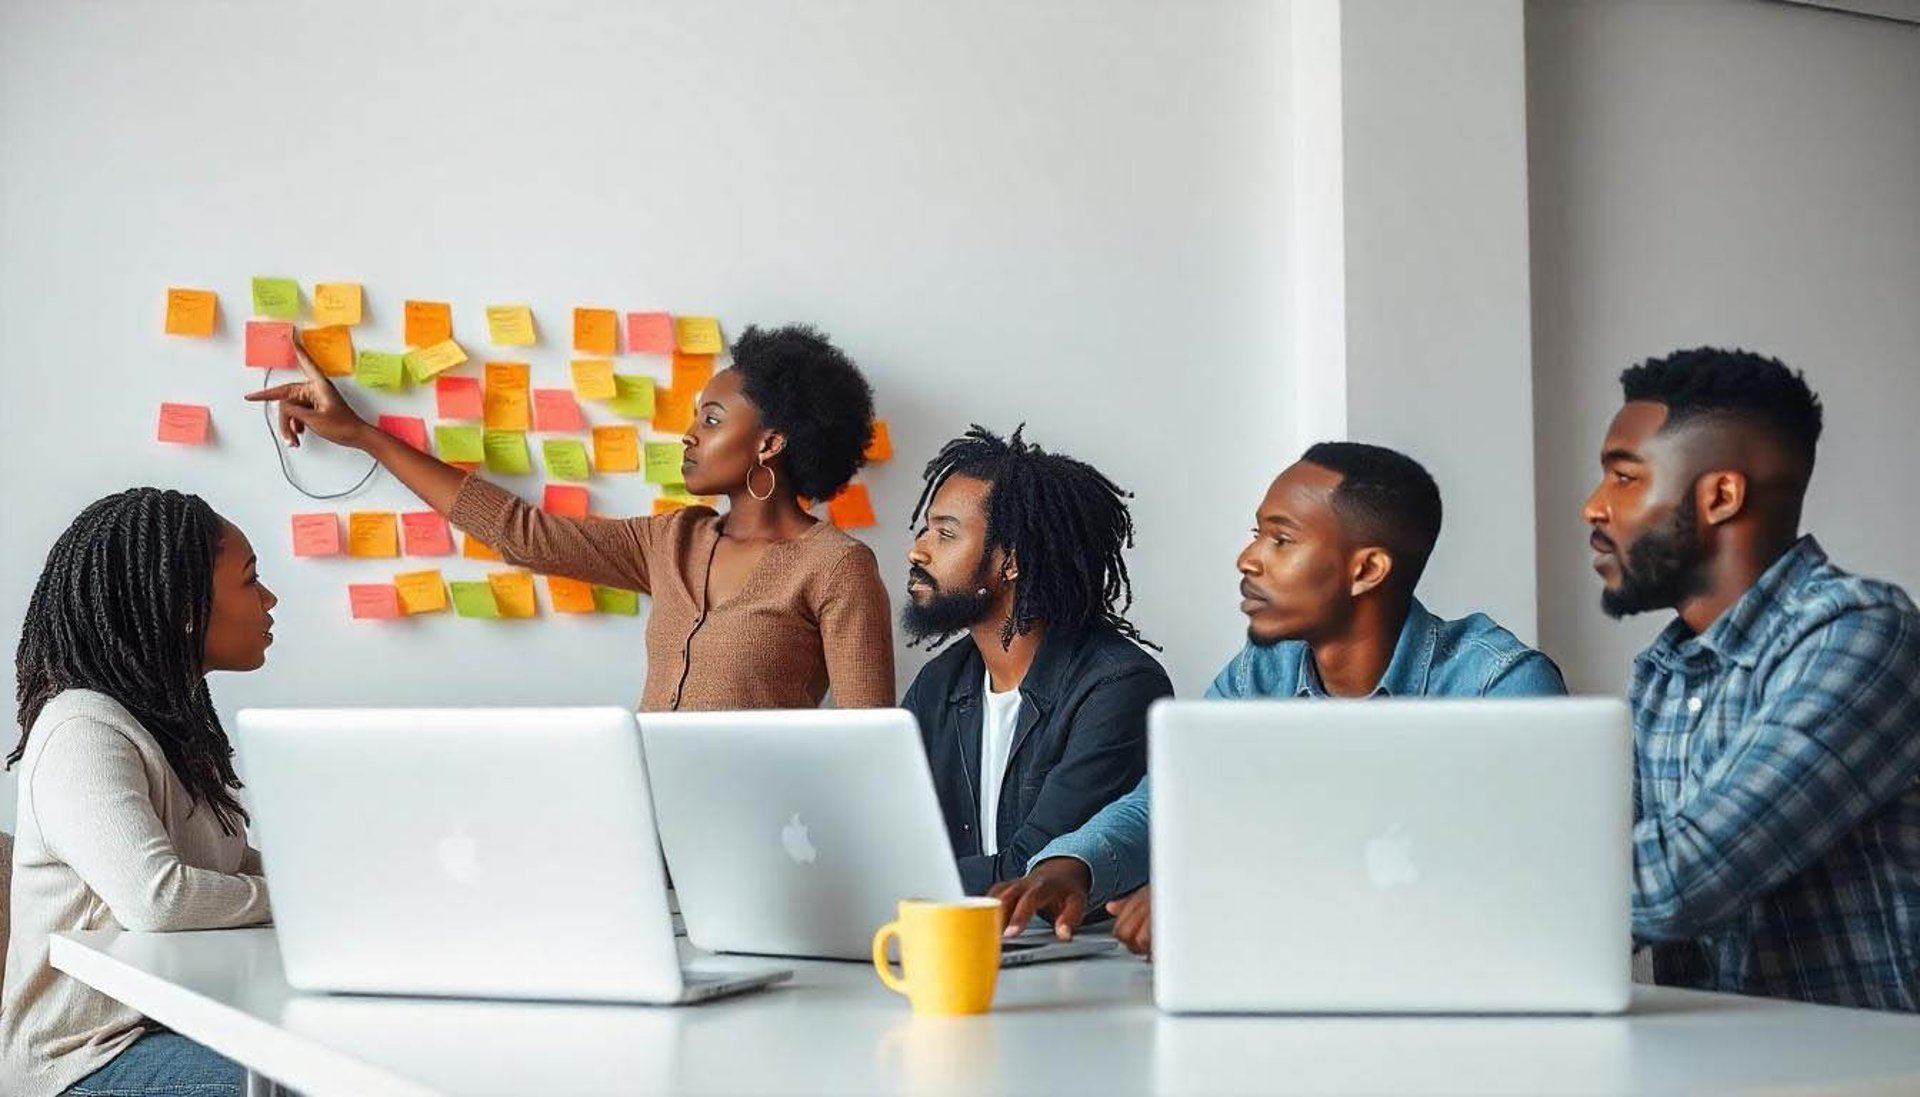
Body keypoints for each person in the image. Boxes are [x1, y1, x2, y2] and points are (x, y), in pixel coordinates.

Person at [992, 442, 1566, 955]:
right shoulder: (1262, 672)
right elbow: (1173, 794)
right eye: (1257, 533)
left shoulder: (1498, 687)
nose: (1249, 559)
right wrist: (1072, 865)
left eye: (1281, 539)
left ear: (1366, 570)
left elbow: (1511, 883)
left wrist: (1226, 898)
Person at [250, 322, 895, 710]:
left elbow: (872, 751)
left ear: (770, 443)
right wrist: (363, 434)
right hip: (647, 837)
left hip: (768, 847)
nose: (689, 434)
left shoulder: (837, 567)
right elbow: (520, 533)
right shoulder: (673, 539)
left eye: (712, 418)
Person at [1584, 347, 1920, 1011]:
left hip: (1866, 1072)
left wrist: (1469, 896)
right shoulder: (1661, 671)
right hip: (1716, 1064)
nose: (1593, 507)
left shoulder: (1864, 632)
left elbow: (1683, 877)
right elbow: (1603, 876)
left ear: (1720, 496)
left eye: (1623, 478)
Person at [1, 489, 276, 1097]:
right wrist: (300, 901)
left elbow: (226, 869)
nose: (270, 599)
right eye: (251, 580)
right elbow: (160, 899)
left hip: (175, 1027)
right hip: (84, 1060)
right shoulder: (82, 729)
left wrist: (332, 887)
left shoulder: (169, 728)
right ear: (184, 607)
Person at [901, 426, 1172, 893]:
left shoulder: (1118, 688)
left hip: (1080, 954)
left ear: (1011, 562)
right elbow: (890, 834)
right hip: (958, 939)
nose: (918, 549)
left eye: (945, 534)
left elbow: (1034, 871)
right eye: (927, 529)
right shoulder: (939, 683)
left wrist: (885, 881)